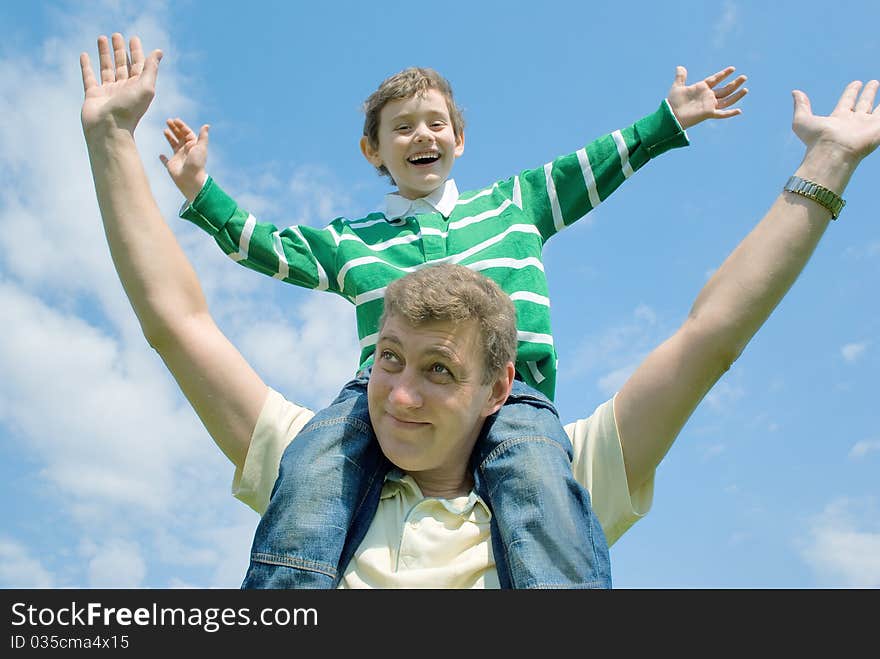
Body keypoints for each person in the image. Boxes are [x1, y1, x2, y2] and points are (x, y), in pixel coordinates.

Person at [80, 33, 879, 588]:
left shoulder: (515, 208)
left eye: (435, 123)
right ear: (374, 151)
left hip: (529, 404)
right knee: (318, 461)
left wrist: (677, 125)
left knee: (537, 480)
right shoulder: (351, 277)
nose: (420, 135)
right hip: (347, 425)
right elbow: (219, 286)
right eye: (401, 129)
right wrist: (177, 180)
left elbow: (706, 325)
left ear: (459, 138)